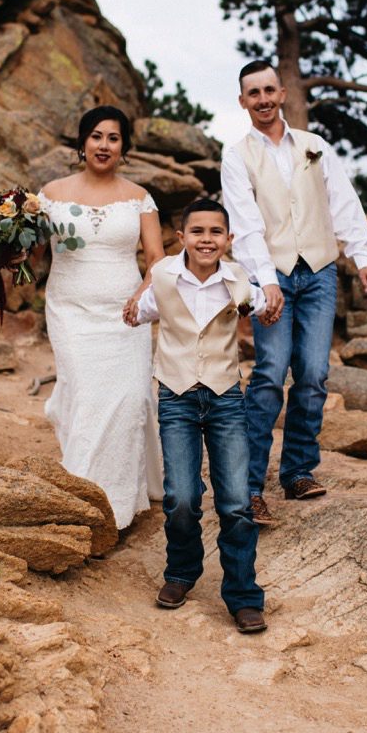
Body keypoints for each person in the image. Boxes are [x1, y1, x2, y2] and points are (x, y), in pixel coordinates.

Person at [220, 60, 367, 526]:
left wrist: (363, 256)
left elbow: (343, 202)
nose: (264, 99)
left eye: (270, 89)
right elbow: (245, 223)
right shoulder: (237, 156)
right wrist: (265, 280)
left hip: (318, 273)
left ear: (283, 92)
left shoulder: (314, 147)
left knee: (312, 374)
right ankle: (248, 487)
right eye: (254, 93)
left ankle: (297, 472)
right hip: (267, 276)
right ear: (243, 101)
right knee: (270, 373)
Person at [125, 198, 274, 633]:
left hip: (226, 396)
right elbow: (142, 312)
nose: (206, 240)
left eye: (215, 233)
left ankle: (244, 596)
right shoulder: (165, 277)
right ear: (182, 237)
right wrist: (130, 313)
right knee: (182, 497)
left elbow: (266, 305)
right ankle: (181, 572)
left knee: (235, 502)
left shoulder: (241, 280)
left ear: (228, 239)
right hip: (176, 395)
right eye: (198, 232)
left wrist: (273, 302)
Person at [40, 105, 165, 530]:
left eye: (113, 138)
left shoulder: (139, 198)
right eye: (96, 136)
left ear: (123, 148)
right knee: (87, 398)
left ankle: (117, 504)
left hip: (126, 316)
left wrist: (141, 296)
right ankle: (83, 495)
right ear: (82, 142)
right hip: (70, 310)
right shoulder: (51, 194)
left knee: (130, 400)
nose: (104, 145)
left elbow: (156, 261)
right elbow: (30, 252)